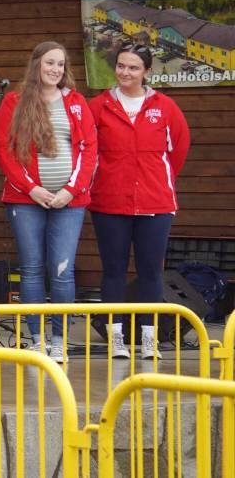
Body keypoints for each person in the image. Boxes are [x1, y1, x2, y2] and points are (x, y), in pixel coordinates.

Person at [0, 42, 96, 363]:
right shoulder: (15, 102)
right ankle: (37, 340)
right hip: (25, 201)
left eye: (61, 65)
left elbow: (89, 150)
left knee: (62, 271)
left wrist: (71, 190)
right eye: (50, 63)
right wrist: (32, 188)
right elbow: (4, 150)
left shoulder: (77, 102)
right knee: (33, 269)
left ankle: (59, 340)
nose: (55, 70)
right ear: (36, 63)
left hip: (70, 201)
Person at [89, 43, 190, 359]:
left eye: (133, 67)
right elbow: (87, 149)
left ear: (147, 72)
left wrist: (155, 179)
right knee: (113, 271)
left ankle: (149, 339)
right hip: (109, 201)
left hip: (155, 203)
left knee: (150, 272)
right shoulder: (98, 106)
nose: (125, 73)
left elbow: (178, 151)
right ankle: (116, 338)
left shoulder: (166, 107)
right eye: (120, 66)